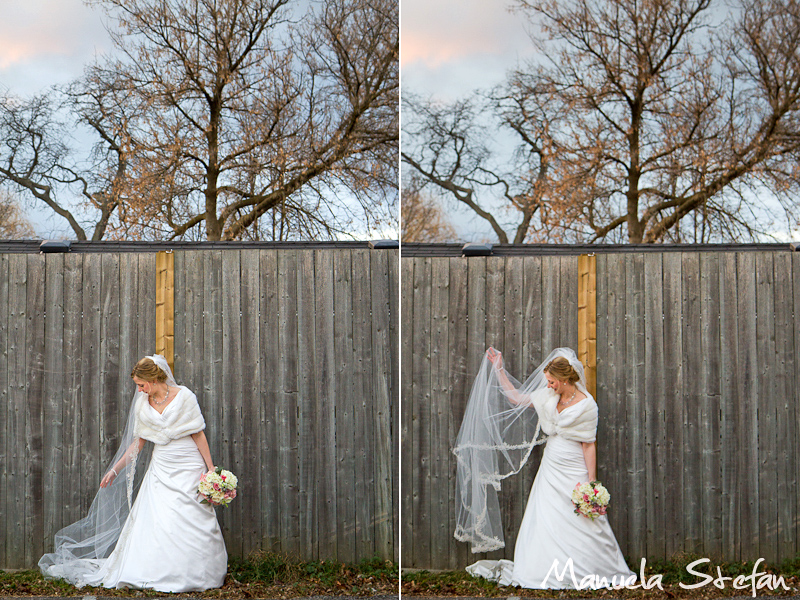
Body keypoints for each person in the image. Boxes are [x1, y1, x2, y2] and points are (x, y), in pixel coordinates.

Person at [39, 355, 228, 593]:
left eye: (142, 384)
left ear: (154, 378)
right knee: (160, 519)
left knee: (193, 515)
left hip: (189, 464)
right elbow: (138, 444)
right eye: (137, 385)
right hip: (162, 467)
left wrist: (210, 469)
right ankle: (159, 570)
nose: (139, 390)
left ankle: (201, 572)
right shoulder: (142, 403)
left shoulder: (185, 397)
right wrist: (115, 470)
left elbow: (198, 434)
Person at [453, 347, 633, 589]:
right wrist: (499, 370)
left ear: (565, 380)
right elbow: (516, 398)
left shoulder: (587, 406)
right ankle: (543, 570)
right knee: (545, 519)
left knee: (585, 520)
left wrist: (591, 482)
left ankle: (597, 569)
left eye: (551, 382)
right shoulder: (549, 396)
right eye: (547, 381)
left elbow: (589, 446)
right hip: (551, 467)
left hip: (574, 469)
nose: (548, 385)